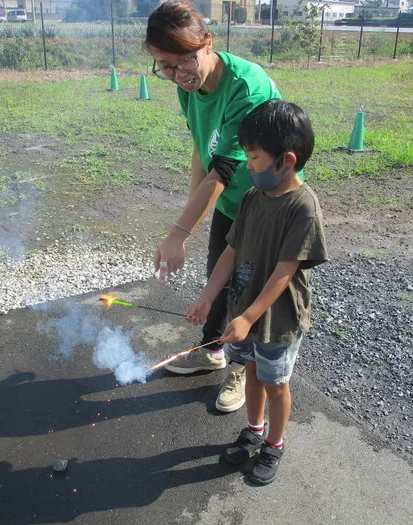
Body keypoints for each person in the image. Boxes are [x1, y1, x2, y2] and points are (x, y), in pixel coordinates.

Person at [145, 0, 282, 413]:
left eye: (184, 61)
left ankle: (242, 367)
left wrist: (178, 232)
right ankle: (212, 350)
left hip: (267, 200)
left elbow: (222, 170)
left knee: (247, 284)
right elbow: (201, 153)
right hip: (225, 195)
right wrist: (191, 214)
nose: (177, 75)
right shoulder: (188, 90)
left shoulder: (245, 86)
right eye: (164, 67)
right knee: (216, 277)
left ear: (207, 43)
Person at [185, 99, 328, 485]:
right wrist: (209, 295)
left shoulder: (303, 207)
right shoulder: (252, 197)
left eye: (254, 158)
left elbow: (285, 271)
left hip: (277, 319)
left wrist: (249, 317)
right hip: (246, 312)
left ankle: (274, 444)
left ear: (285, 160)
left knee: (276, 382)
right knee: (251, 370)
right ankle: (255, 428)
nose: (247, 166)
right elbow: (230, 251)